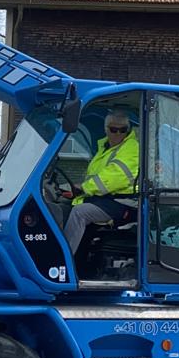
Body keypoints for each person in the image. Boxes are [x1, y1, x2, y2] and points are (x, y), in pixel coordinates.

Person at [60, 109, 139, 261]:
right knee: (64, 206)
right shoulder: (105, 148)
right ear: (106, 129)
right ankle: (80, 261)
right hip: (105, 199)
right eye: (114, 129)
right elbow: (95, 176)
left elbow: (114, 177)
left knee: (80, 212)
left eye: (123, 130)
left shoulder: (131, 148)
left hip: (123, 203)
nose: (118, 134)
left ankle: (63, 261)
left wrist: (84, 187)